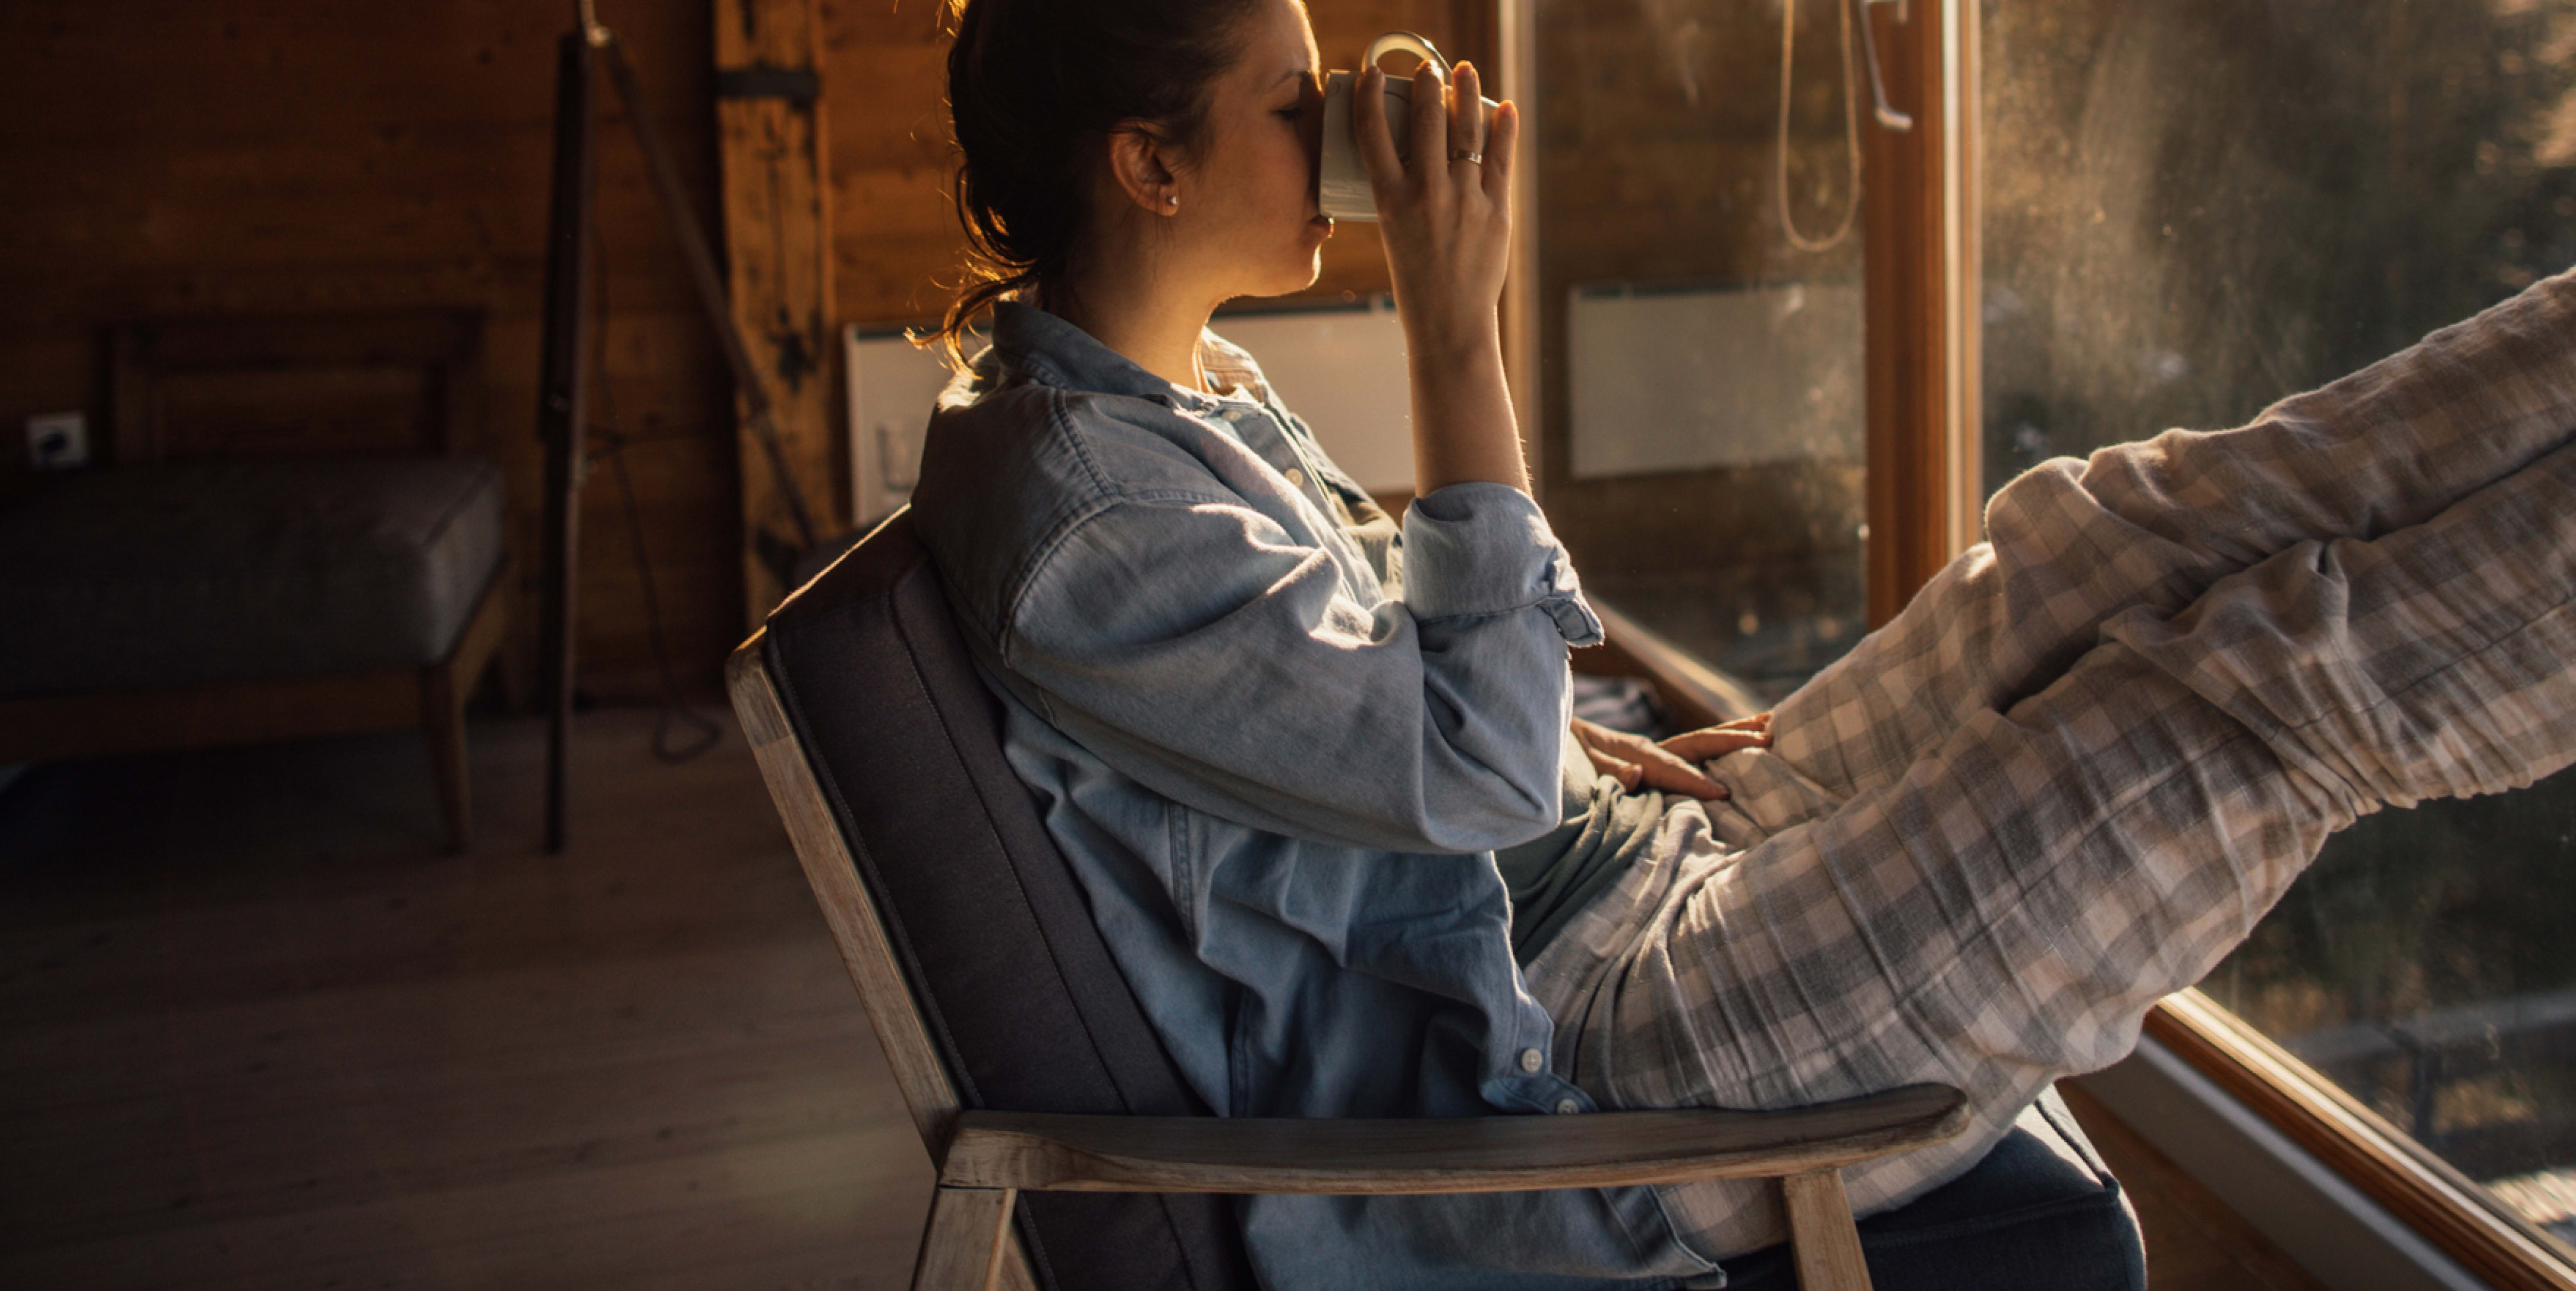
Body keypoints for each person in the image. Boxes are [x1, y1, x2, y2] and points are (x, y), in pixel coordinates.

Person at [906, 0, 2576, 1284]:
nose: (1341, 123)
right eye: (1297, 101)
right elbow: (1465, 753)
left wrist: (1569, 754)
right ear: (1151, 163)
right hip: (1578, 1060)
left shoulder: (1154, 400)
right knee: (2251, 696)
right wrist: (1452, 323)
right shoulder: (1090, 527)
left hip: (1616, 868)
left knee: (2104, 529)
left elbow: (1380, 720)